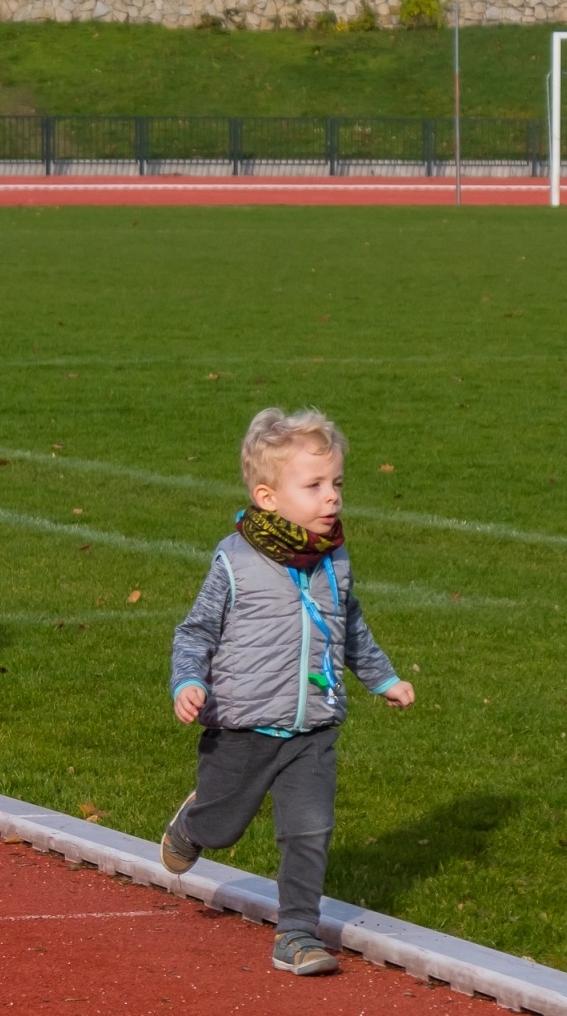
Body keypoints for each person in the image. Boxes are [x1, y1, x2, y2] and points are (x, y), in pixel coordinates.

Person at [160, 407, 415, 975]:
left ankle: (297, 933)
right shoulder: (235, 559)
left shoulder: (335, 559)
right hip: (242, 725)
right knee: (223, 830)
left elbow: (349, 625)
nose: (333, 498)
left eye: (338, 484)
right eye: (316, 486)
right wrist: (189, 680)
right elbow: (196, 630)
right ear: (268, 496)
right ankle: (196, 822)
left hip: (314, 726)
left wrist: (383, 678)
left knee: (310, 830)